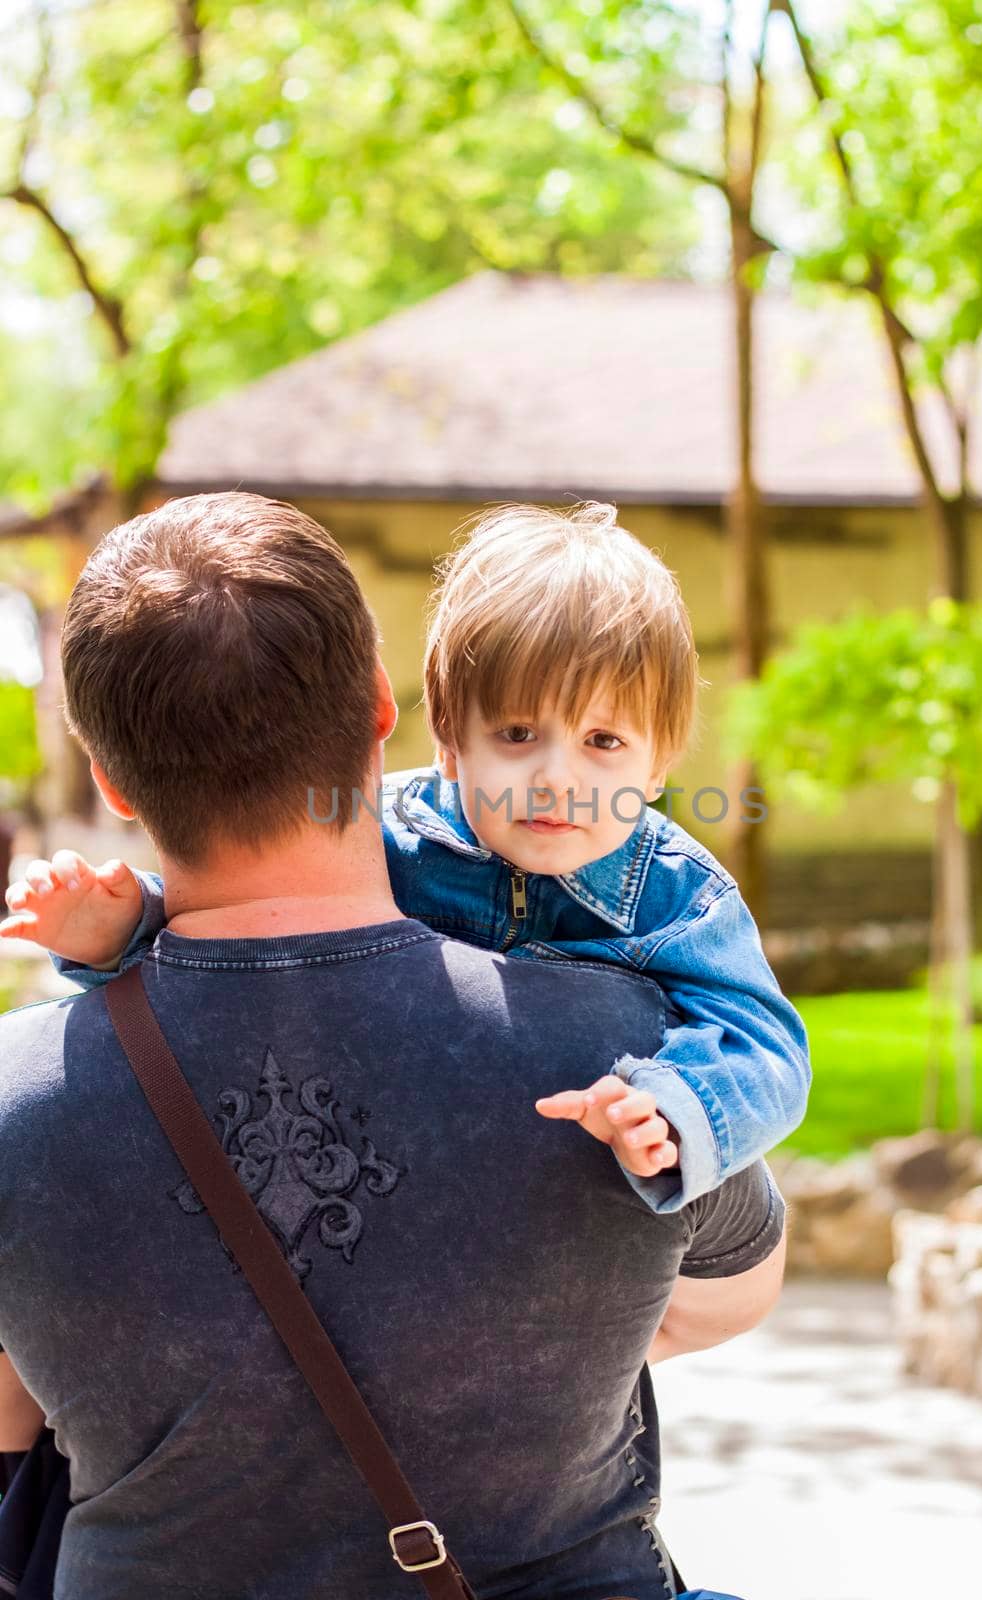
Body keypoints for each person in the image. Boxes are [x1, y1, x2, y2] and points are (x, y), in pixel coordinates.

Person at [0, 492, 786, 1599]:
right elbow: (741, 1286)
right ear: (386, 711)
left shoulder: (15, 1096)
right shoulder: (623, 1050)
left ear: (113, 780)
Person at [6, 501, 811, 1213]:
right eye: (518, 734)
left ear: (658, 763)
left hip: (555, 1198)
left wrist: (671, 1109)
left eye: (604, 741)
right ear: (450, 733)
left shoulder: (675, 896)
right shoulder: (383, 832)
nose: (557, 778)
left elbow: (763, 1044)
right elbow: (248, 922)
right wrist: (129, 923)